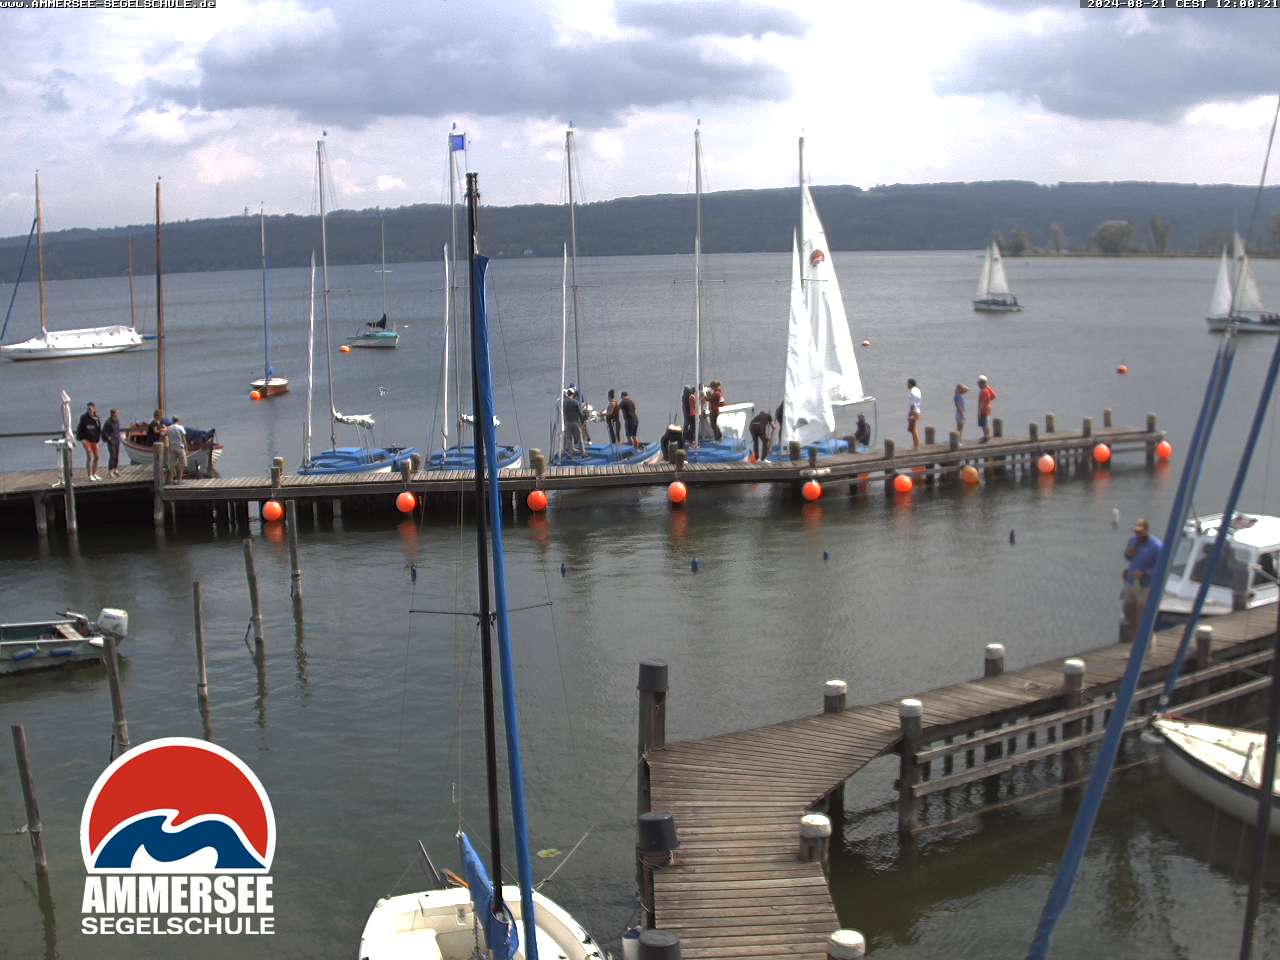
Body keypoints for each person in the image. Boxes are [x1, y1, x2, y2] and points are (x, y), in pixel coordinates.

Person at [1121, 518, 1163, 643]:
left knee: (1142, 613)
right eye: (1136, 532)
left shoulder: (1156, 546)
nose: (1137, 534)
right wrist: (1128, 554)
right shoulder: (1133, 541)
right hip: (1131, 582)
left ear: (1146, 531)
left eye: (1140, 532)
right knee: (1127, 608)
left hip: (1145, 585)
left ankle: (1146, 640)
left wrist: (1145, 573)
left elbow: (1160, 567)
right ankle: (1135, 638)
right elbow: (1128, 557)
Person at [75, 402, 102, 481]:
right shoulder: (84, 417)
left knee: (97, 457)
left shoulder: (96, 418)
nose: (89, 410)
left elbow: (98, 429)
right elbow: (79, 429)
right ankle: (90, 475)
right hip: (86, 439)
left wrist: (98, 439)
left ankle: (94, 473)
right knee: (90, 457)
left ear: (94, 409)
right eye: (88, 409)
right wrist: (81, 439)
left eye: (90, 409)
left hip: (94, 439)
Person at [561, 388, 586, 457]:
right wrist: (583, 420)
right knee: (580, 438)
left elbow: (564, 413)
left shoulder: (564, 403)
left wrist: (564, 423)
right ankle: (583, 453)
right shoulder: (575, 402)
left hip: (567, 423)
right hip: (575, 422)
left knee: (569, 439)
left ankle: (570, 453)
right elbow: (580, 413)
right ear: (573, 394)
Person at [102, 409, 122, 478]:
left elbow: (117, 430)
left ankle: (115, 469)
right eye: (116, 413)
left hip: (117, 440)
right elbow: (104, 431)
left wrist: (119, 436)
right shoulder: (108, 422)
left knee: (116, 456)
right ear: (112, 414)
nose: (117, 415)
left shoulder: (117, 421)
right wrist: (108, 438)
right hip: (111, 441)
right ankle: (110, 471)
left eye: (117, 413)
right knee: (112, 456)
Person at [977, 375, 997, 443]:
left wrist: (979, 411)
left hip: (984, 410)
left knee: (984, 424)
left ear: (982, 383)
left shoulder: (983, 391)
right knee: (986, 423)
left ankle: (986, 437)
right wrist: (988, 386)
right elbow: (994, 396)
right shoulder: (987, 390)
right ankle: (987, 436)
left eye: (979, 383)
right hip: (988, 409)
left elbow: (982, 403)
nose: (978, 384)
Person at [906, 378, 922, 450]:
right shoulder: (917, 390)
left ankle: (917, 446)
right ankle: (916, 445)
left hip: (914, 411)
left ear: (910, 384)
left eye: (907, 383)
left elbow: (912, 404)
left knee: (914, 429)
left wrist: (910, 414)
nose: (907, 385)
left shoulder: (912, 392)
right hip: (917, 411)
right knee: (913, 429)